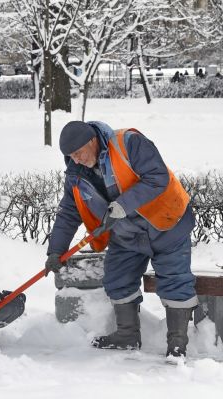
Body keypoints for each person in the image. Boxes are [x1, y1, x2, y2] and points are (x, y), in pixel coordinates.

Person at [45, 121, 197, 359]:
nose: (75, 160)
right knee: (117, 278)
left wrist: (122, 205)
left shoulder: (129, 143)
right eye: (70, 156)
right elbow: (68, 213)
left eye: (78, 153)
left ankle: (177, 345)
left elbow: (157, 177)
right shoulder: (75, 176)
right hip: (127, 235)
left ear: (91, 141)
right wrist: (55, 251)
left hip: (167, 223)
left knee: (175, 280)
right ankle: (127, 336)